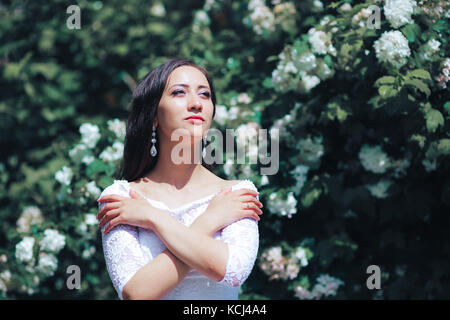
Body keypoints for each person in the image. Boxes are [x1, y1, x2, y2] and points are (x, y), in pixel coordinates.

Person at [96, 58, 264, 300]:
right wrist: (212, 219)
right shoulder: (122, 198)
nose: (196, 103)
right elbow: (137, 294)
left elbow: (232, 271)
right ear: (153, 115)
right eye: (179, 93)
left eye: (205, 95)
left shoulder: (237, 194)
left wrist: (152, 217)